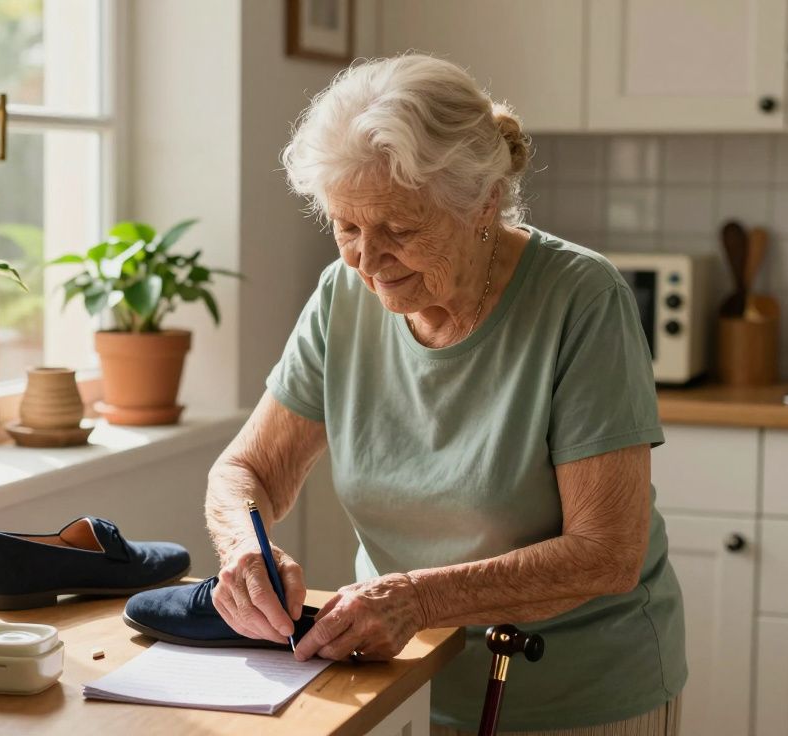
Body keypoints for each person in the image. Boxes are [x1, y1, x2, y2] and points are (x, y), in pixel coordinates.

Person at [203, 54, 686, 735]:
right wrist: (243, 547)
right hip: (395, 683)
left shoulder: (582, 299)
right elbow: (245, 471)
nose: (367, 261)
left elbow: (606, 552)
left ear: (484, 201)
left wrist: (413, 599)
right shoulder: (344, 297)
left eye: (399, 230)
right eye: (346, 226)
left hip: (573, 695)